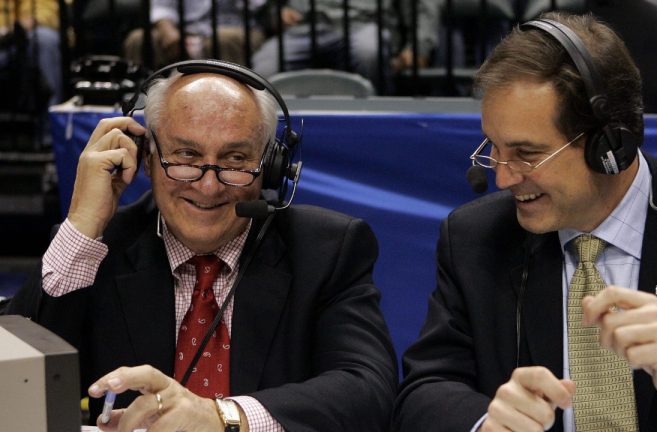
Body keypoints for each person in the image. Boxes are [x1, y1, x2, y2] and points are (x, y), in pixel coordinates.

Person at [394, 11, 657, 432]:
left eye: (527, 153)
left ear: (610, 145)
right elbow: (423, 391)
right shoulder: (476, 239)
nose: (502, 177)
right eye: (493, 147)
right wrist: (484, 423)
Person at [5, 60, 397, 431]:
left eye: (235, 159)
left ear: (272, 166)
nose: (208, 186)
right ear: (146, 156)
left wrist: (220, 417)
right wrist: (82, 224)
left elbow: (368, 390)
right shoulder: (99, 248)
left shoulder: (326, 249)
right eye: (186, 155)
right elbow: (16, 382)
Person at [251, 0, 439, 91]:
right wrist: (277, 11)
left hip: (365, 23)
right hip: (306, 26)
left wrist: (419, 45)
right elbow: (267, 5)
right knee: (265, 65)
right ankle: (272, 134)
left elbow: (423, 6)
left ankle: (374, 117)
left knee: (369, 50)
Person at [123, 0, 267, 68]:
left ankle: (234, 97)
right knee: (139, 39)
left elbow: (258, 6)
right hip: (185, 27)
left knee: (222, 40)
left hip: (237, 27)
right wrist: (168, 31)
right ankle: (140, 100)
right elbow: (162, 7)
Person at [0, 0, 62, 106]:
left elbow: (45, 14)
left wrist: (13, 30)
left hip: (23, 40)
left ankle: (52, 115)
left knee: (44, 39)